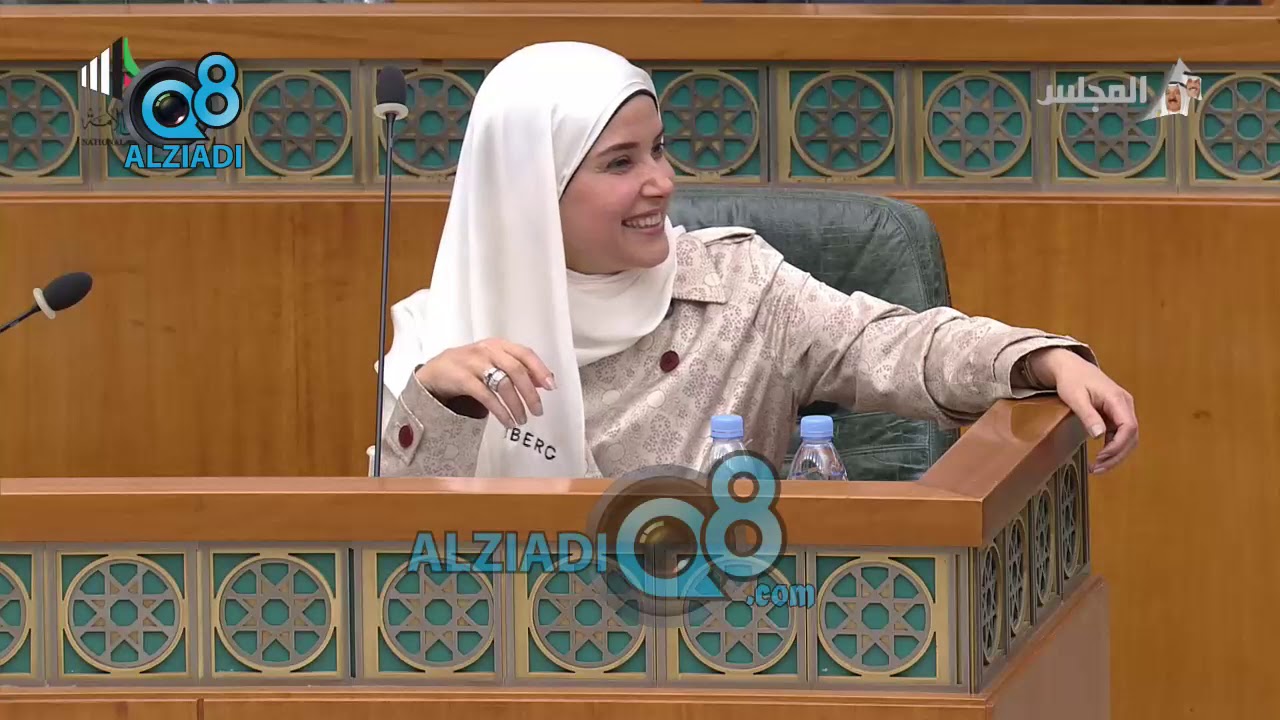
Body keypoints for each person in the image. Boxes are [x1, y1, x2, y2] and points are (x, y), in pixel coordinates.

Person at [375, 41, 1138, 482]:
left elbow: (896, 346)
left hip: (732, 643)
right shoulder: (442, 337)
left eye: (659, 149)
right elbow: (402, 553)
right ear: (531, 192)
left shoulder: (738, 288)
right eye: (620, 163)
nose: (661, 182)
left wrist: (1040, 359)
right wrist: (440, 402)